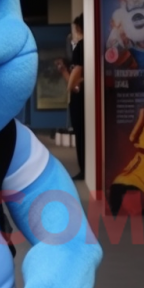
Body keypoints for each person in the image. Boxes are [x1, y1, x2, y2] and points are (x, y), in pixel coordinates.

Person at [57, 14, 85, 180]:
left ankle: (84, 169)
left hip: (80, 99)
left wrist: (70, 85)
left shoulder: (81, 47)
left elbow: (75, 79)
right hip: (86, 98)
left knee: (81, 134)